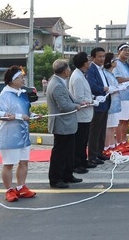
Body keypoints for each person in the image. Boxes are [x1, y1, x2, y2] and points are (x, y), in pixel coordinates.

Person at [0, 66, 36, 202]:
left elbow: (27, 112)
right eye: (19, 77)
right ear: (11, 81)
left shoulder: (22, 93)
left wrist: (34, 115)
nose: (23, 79)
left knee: (24, 162)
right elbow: (0, 114)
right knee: (9, 164)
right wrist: (19, 116)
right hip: (9, 135)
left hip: (23, 134)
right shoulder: (5, 95)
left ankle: (21, 187)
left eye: (22, 77)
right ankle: (9, 190)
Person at [47, 59, 86, 189]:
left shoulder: (59, 81)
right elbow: (64, 106)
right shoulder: (57, 85)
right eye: (68, 68)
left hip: (67, 124)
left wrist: (80, 103)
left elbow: (68, 99)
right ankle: (56, 179)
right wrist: (76, 106)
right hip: (61, 124)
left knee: (68, 151)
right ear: (64, 71)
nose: (70, 70)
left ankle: (67, 175)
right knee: (60, 153)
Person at [68, 52, 96, 172]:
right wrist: (92, 101)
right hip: (81, 115)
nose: (89, 62)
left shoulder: (81, 74)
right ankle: (77, 164)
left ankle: (83, 161)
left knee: (84, 140)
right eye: (88, 61)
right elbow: (79, 98)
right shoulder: (78, 77)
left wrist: (93, 98)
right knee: (80, 141)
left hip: (86, 114)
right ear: (84, 63)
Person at [86, 47, 111, 165]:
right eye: (99, 56)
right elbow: (92, 86)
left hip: (105, 102)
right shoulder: (91, 70)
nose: (102, 59)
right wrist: (104, 89)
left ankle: (100, 152)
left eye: (103, 56)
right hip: (98, 103)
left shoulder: (101, 69)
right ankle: (92, 155)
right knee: (95, 130)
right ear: (93, 58)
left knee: (102, 130)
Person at [114, 43, 129, 150]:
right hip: (121, 96)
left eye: (128, 50)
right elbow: (116, 79)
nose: (127, 52)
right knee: (120, 121)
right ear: (119, 52)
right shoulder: (116, 64)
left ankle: (124, 140)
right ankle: (118, 143)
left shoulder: (126, 64)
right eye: (124, 50)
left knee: (126, 120)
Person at [102, 52, 122, 157]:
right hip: (110, 104)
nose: (116, 62)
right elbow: (108, 88)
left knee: (113, 126)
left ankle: (112, 145)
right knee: (109, 127)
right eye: (114, 60)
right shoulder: (105, 73)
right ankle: (106, 147)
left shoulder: (111, 73)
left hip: (115, 103)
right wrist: (115, 89)